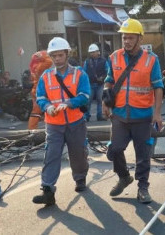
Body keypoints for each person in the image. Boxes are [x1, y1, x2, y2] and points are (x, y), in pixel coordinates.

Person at [102, 19, 163, 204]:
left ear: (140, 39)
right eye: (124, 37)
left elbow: (158, 87)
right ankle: (124, 177)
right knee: (114, 149)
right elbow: (109, 80)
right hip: (119, 114)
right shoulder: (114, 57)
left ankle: (142, 188)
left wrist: (157, 113)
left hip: (142, 115)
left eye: (130, 38)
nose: (126, 41)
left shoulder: (152, 60)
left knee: (143, 155)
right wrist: (106, 101)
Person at [32, 37, 90, 206]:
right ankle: (48, 190)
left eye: (60, 55)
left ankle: (80, 179)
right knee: (51, 155)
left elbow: (85, 95)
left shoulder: (79, 73)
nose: (57, 59)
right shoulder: (46, 76)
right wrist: (47, 106)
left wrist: (69, 104)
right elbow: (40, 97)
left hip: (76, 123)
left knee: (78, 153)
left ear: (67, 54)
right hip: (54, 125)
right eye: (54, 56)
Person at [28, 50, 54, 130]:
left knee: (36, 112)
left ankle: (32, 129)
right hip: (41, 91)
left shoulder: (34, 66)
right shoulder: (40, 66)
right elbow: (49, 61)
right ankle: (32, 130)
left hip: (36, 91)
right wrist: (43, 56)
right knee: (40, 111)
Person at [83, 43, 108, 121]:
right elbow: (84, 73)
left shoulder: (104, 61)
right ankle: (86, 116)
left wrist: (103, 78)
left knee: (100, 100)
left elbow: (108, 71)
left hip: (100, 84)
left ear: (98, 52)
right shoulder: (87, 62)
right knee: (88, 101)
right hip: (90, 84)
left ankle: (99, 115)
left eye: (94, 52)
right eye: (91, 52)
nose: (92, 54)